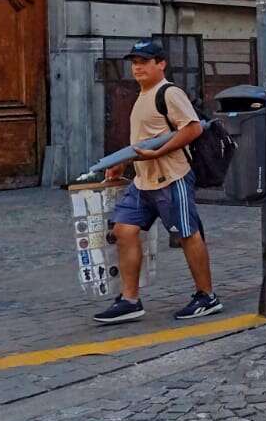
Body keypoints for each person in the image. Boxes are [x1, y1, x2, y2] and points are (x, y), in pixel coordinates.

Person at [94, 39, 221, 325]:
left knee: (187, 234)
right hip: (143, 180)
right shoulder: (141, 95)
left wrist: (159, 152)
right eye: (134, 62)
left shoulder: (169, 93)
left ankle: (207, 296)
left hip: (171, 176)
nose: (137, 67)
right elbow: (140, 140)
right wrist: (122, 164)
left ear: (160, 63)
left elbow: (192, 129)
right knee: (123, 230)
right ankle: (129, 300)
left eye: (144, 62)